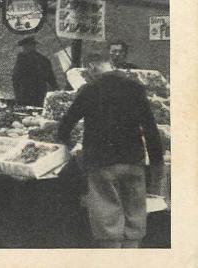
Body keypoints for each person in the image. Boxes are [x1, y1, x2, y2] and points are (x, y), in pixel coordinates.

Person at [57, 53, 164, 248]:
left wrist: (69, 145)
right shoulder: (135, 88)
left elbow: (66, 124)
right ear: (110, 65)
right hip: (133, 161)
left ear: (92, 68)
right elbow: (150, 128)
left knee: (107, 222)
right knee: (134, 219)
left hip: (101, 164)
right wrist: (157, 163)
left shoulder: (89, 90)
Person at [11, 36, 58, 107]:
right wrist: (56, 91)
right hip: (38, 95)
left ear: (31, 46)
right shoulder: (44, 60)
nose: (24, 48)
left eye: (25, 46)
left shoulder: (22, 59)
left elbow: (15, 78)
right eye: (24, 47)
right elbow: (52, 80)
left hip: (25, 95)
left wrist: (17, 95)